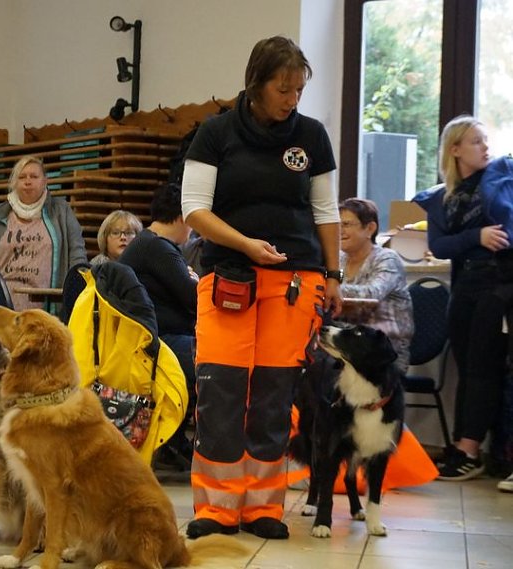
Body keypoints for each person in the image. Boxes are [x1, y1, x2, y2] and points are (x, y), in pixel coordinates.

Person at [180, 36, 341, 540]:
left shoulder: (312, 137)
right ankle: (216, 509)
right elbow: (194, 211)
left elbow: (325, 212)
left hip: (295, 282)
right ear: (256, 84)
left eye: (299, 89)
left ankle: (263, 508)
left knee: (274, 395)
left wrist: (334, 275)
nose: (292, 98)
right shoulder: (215, 133)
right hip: (230, 277)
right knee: (221, 391)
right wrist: (247, 244)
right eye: (283, 88)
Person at [413, 115, 509, 482]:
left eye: (486, 140)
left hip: (496, 287)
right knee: (465, 370)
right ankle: (461, 446)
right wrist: (476, 237)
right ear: (454, 150)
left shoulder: (501, 184)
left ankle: (471, 449)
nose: (486, 147)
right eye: (475, 141)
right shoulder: (443, 198)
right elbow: (439, 245)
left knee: (484, 369)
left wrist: (482, 238)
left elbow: (506, 235)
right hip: (464, 287)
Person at [118, 183, 197, 469]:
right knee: (215, 363)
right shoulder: (159, 249)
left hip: (148, 342)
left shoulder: (146, 244)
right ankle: (177, 443)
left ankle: (174, 442)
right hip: (159, 346)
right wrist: (196, 281)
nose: (192, 231)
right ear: (180, 218)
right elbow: (194, 299)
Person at [0, 155, 87, 310]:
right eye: (22, 177)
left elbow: (77, 255)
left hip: (48, 311)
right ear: (15, 182)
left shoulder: (62, 212)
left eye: (34, 176)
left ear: (45, 181)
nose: (27, 181)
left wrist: (74, 295)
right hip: (1, 311)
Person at [338, 197, 414, 372]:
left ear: (370, 228)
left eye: (347, 224)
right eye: (337, 225)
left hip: (384, 349)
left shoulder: (387, 258)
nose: (339, 231)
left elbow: (373, 293)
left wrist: (330, 289)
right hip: (348, 345)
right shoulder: (339, 260)